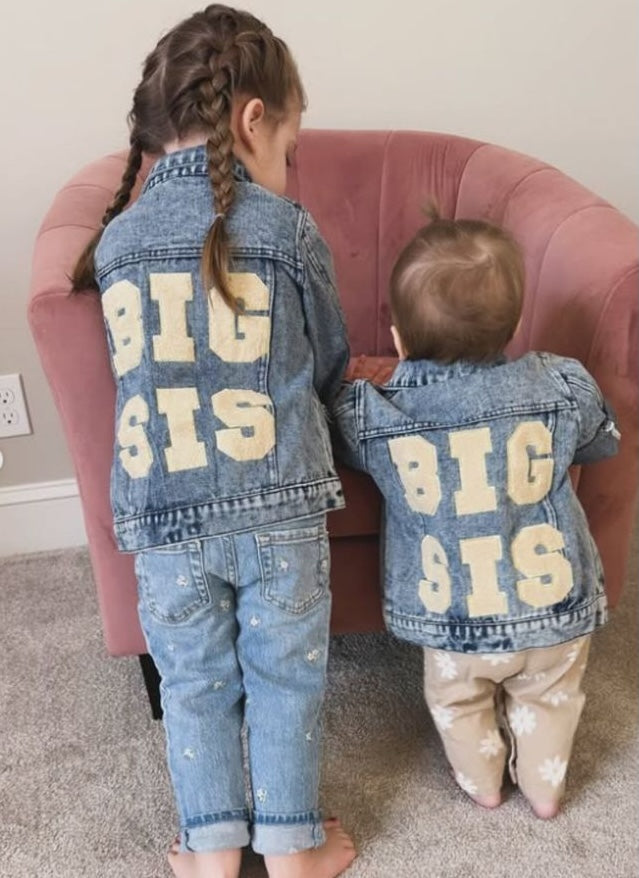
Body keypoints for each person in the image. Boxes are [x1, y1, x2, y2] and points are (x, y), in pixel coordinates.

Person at [72, 5, 357, 877]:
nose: (288, 164)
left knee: (194, 684)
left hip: (164, 519)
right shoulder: (288, 231)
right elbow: (330, 360)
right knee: (286, 678)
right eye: (290, 144)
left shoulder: (115, 243)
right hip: (279, 512)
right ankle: (295, 847)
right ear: (253, 120)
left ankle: (211, 851)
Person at [331, 209, 620, 820]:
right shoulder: (561, 384)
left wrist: (376, 381)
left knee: (457, 703)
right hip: (554, 610)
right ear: (515, 324)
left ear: (400, 339)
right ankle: (544, 790)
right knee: (552, 699)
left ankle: (483, 782)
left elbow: (341, 427)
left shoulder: (378, 415)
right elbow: (600, 442)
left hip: (456, 617)